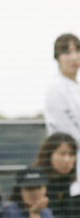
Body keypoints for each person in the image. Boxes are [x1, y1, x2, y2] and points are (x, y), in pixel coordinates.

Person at [43, 33, 80, 196]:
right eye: (67, 52)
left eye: (77, 50)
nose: (74, 57)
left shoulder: (75, 87)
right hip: (68, 170)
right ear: (57, 57)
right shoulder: (56, 88)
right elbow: (69, 133)